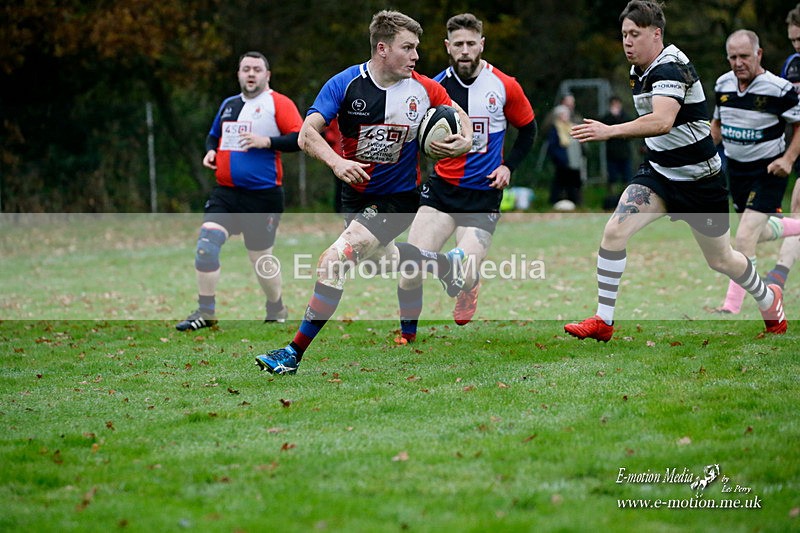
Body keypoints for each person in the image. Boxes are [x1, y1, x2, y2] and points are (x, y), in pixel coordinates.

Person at [254, 10, 473, 374]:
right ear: (383, 49)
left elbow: (458, 112)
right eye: (409, 48)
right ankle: (444, 263)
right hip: (354, 194)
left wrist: (463, 139)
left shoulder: (422, 88)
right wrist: (337, 164)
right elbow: (306, 134)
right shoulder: (344, 84)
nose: (417, 56)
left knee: (335, 258)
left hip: (399, 197)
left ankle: (292, 353)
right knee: (378, 260)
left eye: (417, 48)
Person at [563, 0, 787, 342]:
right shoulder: (640, 68)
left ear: (656, 34)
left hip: (700, 183)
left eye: (634, 34)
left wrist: (610, 130)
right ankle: (603, 321)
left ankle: (769, 299)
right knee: (613, 233)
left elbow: (662, 121)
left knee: (722, 259)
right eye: (623, 34)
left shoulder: (670, 67)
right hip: (659, 176)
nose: (627, 42)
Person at [394, 12, 537, 341]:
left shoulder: (504, 85)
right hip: (442, 191)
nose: (465, 50)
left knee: (465, 269)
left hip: (483, 194)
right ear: (447, 46)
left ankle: (468, 287)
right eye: (458, 44)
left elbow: (529, 130)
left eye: (471, 43)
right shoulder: (432, 87)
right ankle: (408, 334)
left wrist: (508, 167)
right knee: (411, 264)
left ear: (482, 44)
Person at [175, 51, 303, 331]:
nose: (251, 74)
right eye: (246, 69)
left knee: (261, 260)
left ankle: (276, 307)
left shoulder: (278, 103)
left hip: (263, 196)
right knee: (206, 247)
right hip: (226, 193)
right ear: (239, 74)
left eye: (257, 69)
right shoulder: (229, 105)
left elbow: (299, 138)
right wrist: (210, 151)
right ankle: (206, 312)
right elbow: (213, 136)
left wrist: (265, 141)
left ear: (267, 75)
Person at [711, 30, 800, 315]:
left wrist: (787, 159)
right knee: (756, 234)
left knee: (745, 236)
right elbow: (716, 128)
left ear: (759, 55)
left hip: (769, 171)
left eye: (745, 56)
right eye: (733, 57)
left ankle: (733, 307)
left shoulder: (779, 89)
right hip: (736, 172)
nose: (738, 63)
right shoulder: (723, 84)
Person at [763, 2, 800, 290]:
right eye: (793, 40)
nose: (797, 46)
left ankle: (779, 274)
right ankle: (779, 275)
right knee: (797, 205)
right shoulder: (792, 65)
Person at [547, 104, 583, 207]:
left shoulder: (573, 126)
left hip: (575, 160)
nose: (566, 116)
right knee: (560, 182)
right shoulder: (555, 128)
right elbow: (552, 146)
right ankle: (555, 201)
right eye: (564, 114)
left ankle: (575, 202)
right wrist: (560, 158)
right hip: (562, 161)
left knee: (575, 183)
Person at [601, 96, 633, 200]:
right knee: (612, 178)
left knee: (627, 178)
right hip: (612, 154)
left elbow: (630, 131)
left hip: (624, 154)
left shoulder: (625, 117)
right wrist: (612, 117)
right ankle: (612, 199)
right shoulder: (607, 118)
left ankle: (626, 199)